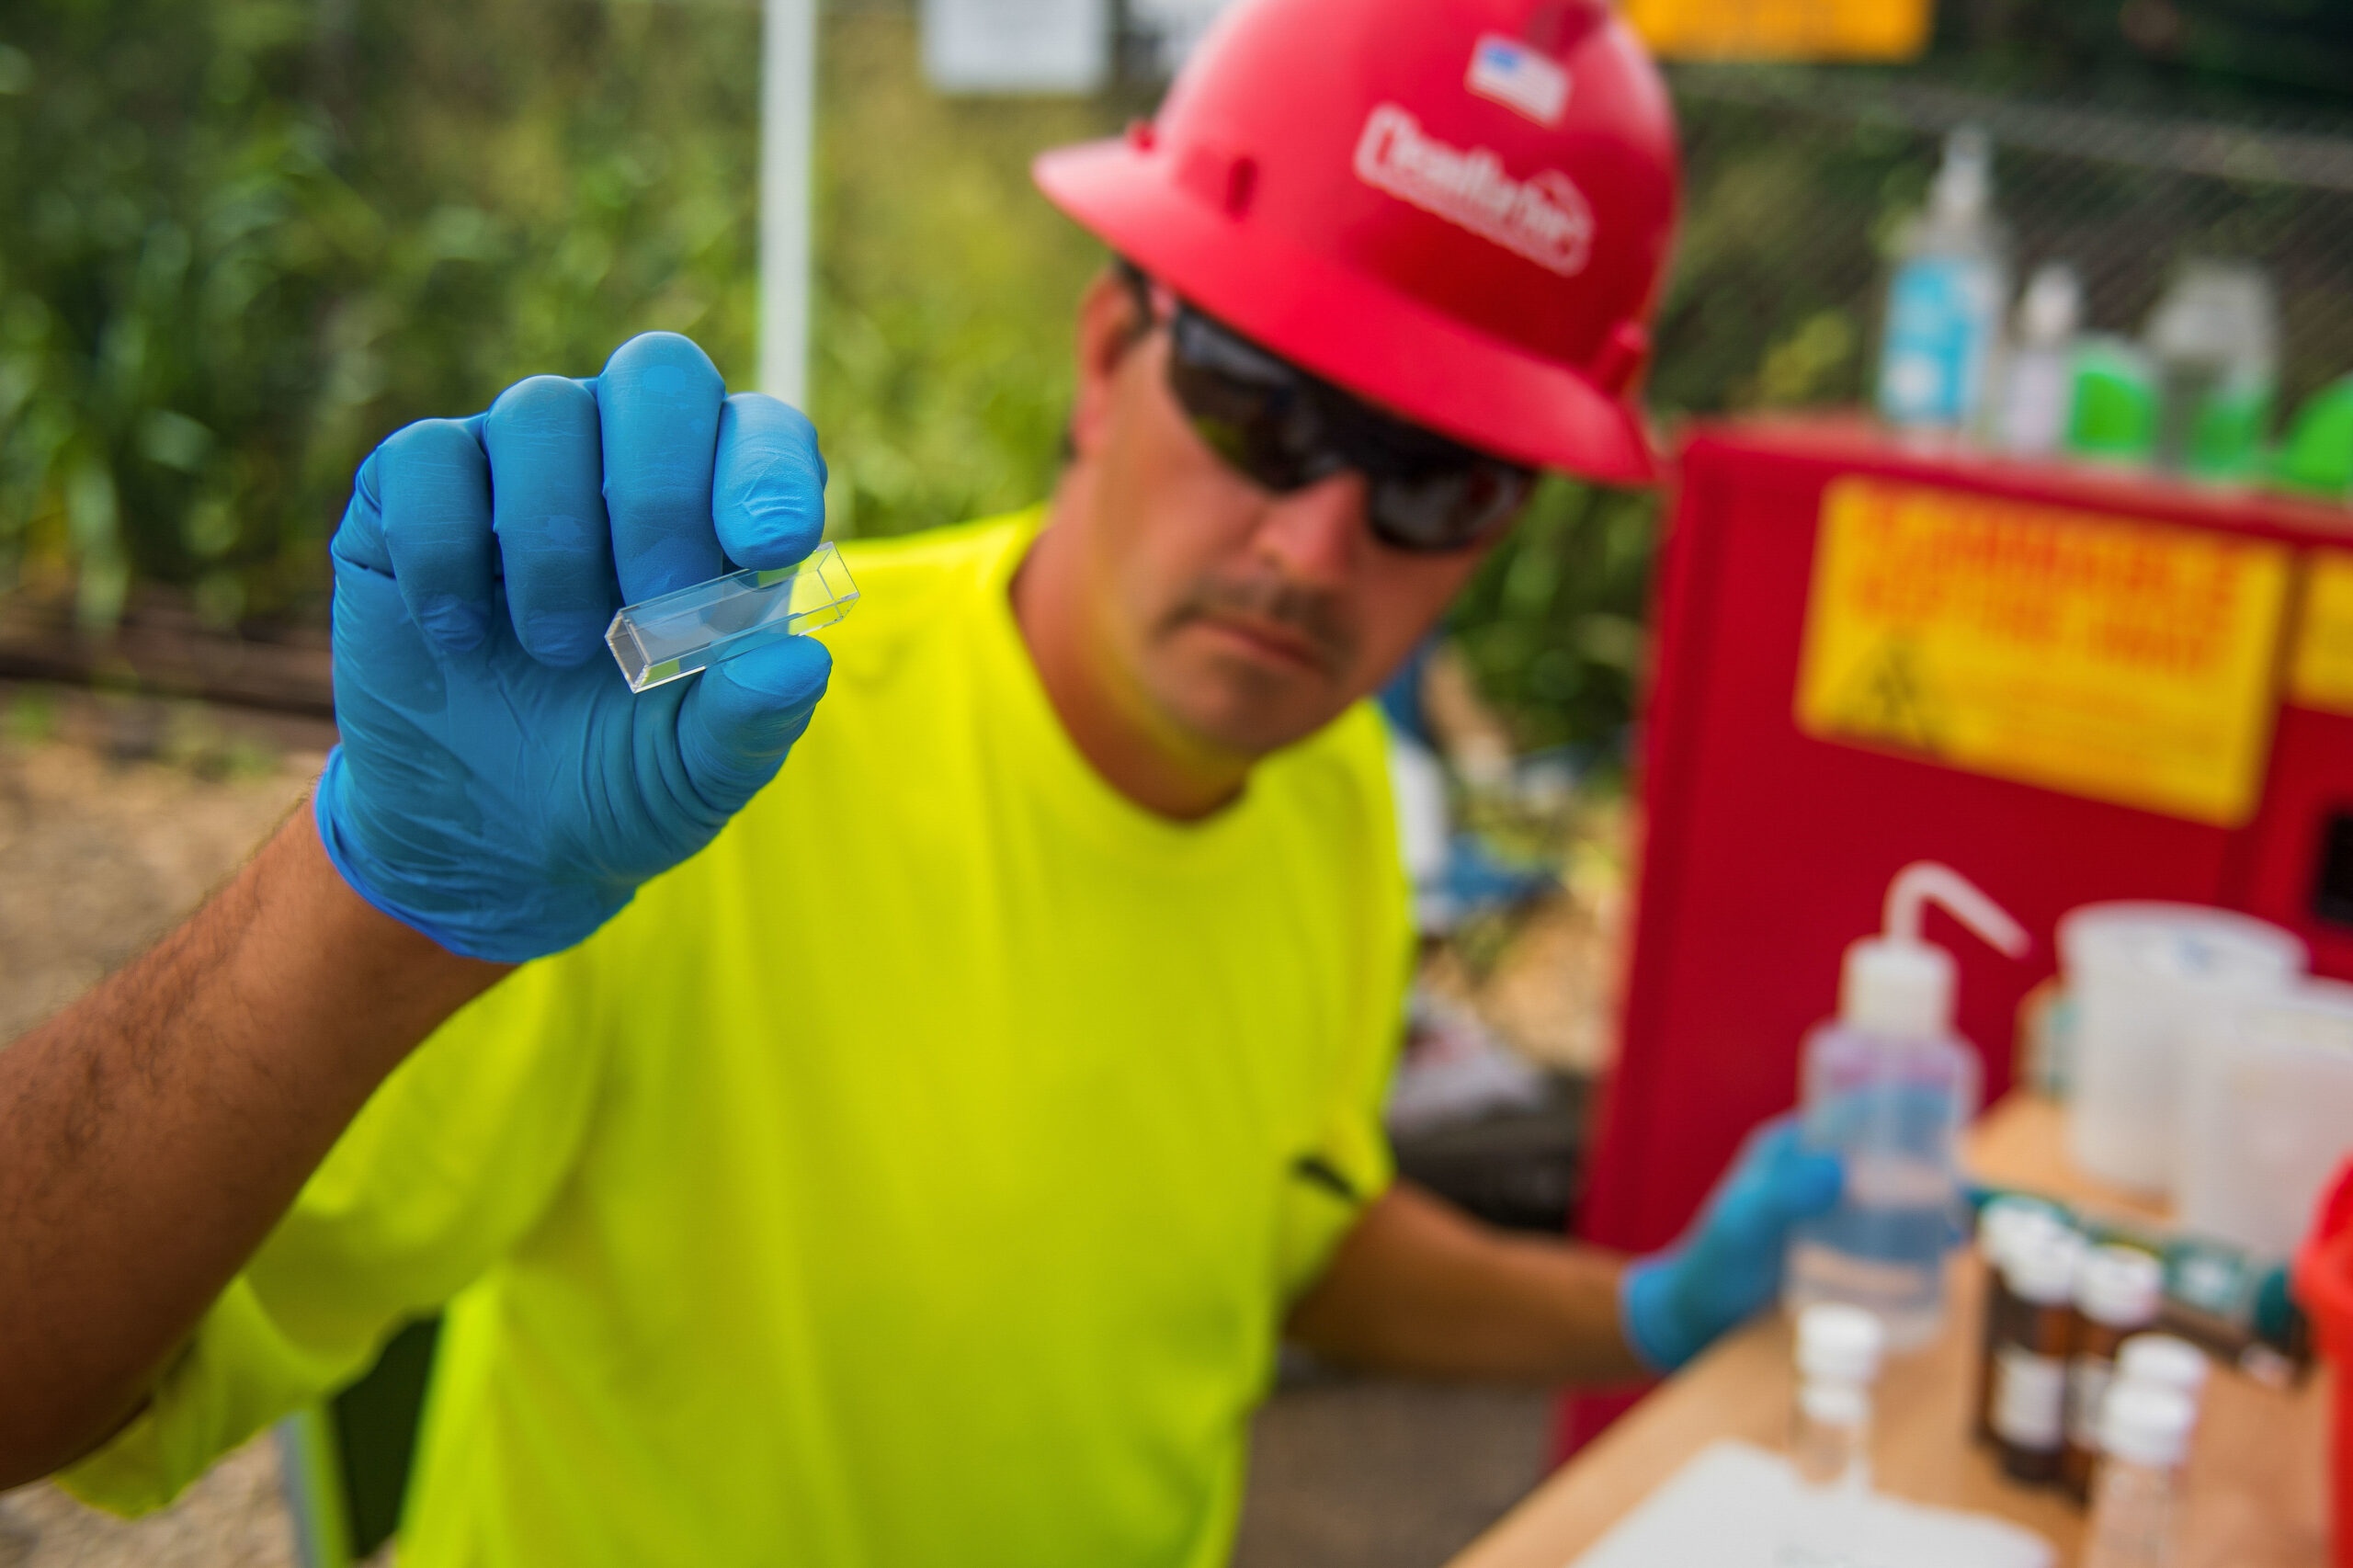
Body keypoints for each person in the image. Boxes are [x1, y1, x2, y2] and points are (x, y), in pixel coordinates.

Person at [1, 0, 1847, 1561]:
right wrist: (365, 899)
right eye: (1263, 407)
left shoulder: (1336, 790)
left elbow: (1265, 1228)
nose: (1310, 545)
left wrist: (1642, 1306)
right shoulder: (692, 766)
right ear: (1107, 355)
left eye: (1435, 482)